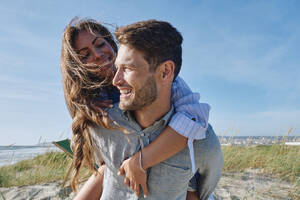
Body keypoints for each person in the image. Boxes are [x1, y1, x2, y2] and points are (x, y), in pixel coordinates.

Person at [60, 18, 222, 199]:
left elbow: (193, 118)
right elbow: (104, 164)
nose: (97, 54)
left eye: (100, 44)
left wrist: (140, 161)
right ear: (77, 66)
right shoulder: (92, 101)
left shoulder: (166, 82)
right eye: (85, 55)